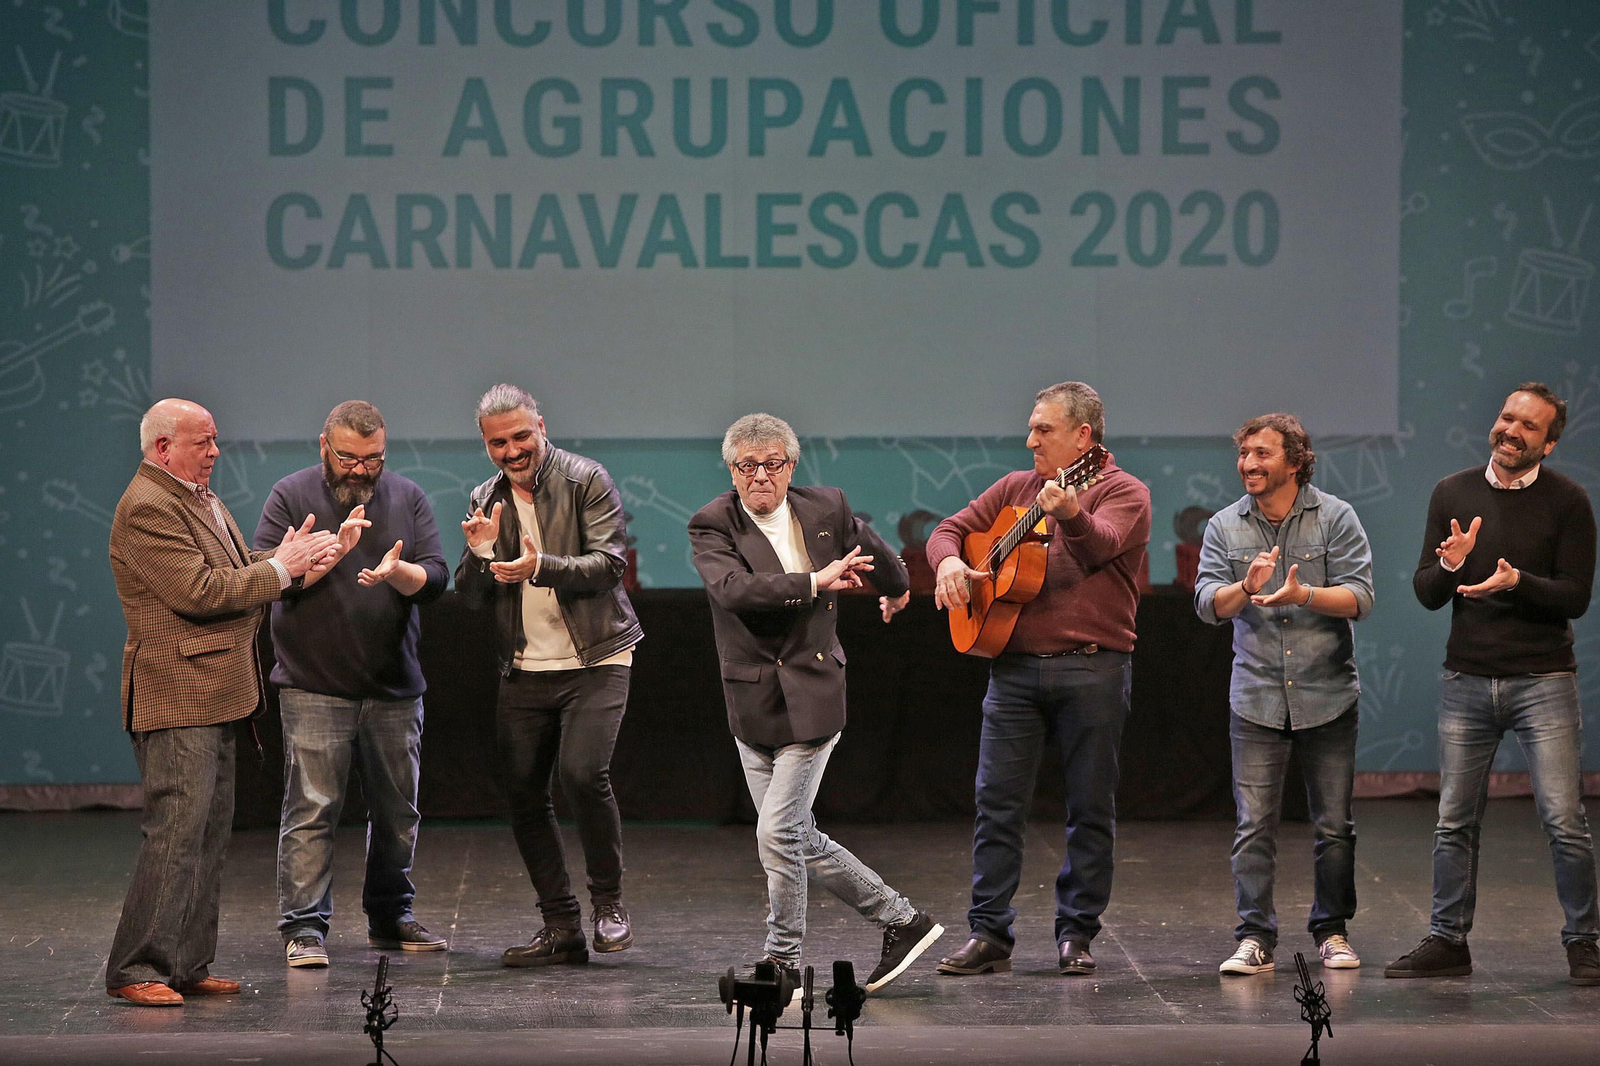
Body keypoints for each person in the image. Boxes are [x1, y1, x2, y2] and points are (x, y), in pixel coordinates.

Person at [688, 413, 943, 993]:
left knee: (777, 834)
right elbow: (733, 591)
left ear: (790, 467)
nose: (760, 477)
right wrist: (814, 581)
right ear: (732, 471)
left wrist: (898, 589)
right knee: (792, 835)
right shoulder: (712, 524)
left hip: (813, 690)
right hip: (752, 700)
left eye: (771, 464)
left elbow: (874, 551)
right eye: (747, 467)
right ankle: (902, 920)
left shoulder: (825, 507)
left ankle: (782, 961)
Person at [105, 399, 338, 1006]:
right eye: (203, 442)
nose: (214, 452)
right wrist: (281, 569)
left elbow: (236, 569)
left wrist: (298, 558)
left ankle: (186, 962)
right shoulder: (149, 507)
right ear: (163, 448)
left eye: (215, 441)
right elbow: (200, 591)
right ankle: (138, 968)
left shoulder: (194, 498)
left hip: (218, 694)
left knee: (208, 836)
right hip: (178, 697)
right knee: (176, 835)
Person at [928, 381, 1151, 977]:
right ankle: (989, 932)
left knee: (1089, 807)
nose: (1029, 440)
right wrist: (950, 562)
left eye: (1042, 430)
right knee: (995, 803)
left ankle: (1076, 934)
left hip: (1093, 669)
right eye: (1030, 428)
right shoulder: (1017, 488)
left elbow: (1099, 547)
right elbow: (947, 530)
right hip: (1014, 671)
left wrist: (1072, 514)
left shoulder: (1124, 492)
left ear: (1082, 436)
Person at [1386, 382, 1599, 986]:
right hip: (1467, 679)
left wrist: (1516, 582)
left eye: (1529, 427)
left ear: (1549, 443)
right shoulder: (1452, 492)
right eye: (1507, 419)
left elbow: (1576, 598)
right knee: (1454, 819)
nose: (1511, 431)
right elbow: (1428, 593)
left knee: (1563, 819)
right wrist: (1451, 563)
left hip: (1544, 680)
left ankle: (1585, 943)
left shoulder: (1569, 502)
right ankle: (1448, 941)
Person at [254, 401, 451, 968]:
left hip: (394, 688)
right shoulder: (290, 496)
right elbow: (267, 576)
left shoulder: (407, 497)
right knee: (313, 809)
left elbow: (435, 577)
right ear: (324, 446)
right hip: (315, 687)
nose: (361, 470)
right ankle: (305, 927)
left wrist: (400, 573)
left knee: (397, 813)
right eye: (349, 458)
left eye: (373, 459)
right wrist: (327, 554)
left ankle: (390, 915)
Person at [455, 383, 643, 967]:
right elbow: (469, 595)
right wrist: (484, 554)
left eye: (519, 436)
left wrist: (542, 566)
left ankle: (608, 905)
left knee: (584, 773)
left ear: (540, 425)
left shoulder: (586, 479)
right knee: (522, 792)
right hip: (526, 666)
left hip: (596, 656)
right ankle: (560, 926)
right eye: (497, 443)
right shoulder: (486, 496)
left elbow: (610, 564)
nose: (511, 451)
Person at [1194, 414, 1374, 975]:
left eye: (1262, 453)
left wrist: (1306, 594)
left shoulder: (1336, 517)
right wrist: (1244, 587)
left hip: (1328, 693)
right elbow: (1206, 604)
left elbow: (1361, 597)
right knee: (1254, 825)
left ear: (1294, 461)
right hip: (1256, 696)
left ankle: (1332, 931)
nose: (1249, 463)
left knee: (1333, 826)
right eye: (1244, 453)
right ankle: (1254, 936)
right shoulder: (1225, 525)